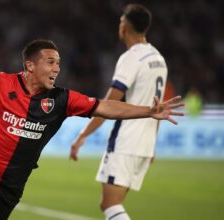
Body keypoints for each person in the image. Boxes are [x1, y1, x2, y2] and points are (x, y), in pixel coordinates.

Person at [0, 39, 183, 220]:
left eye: (58, 63)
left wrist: (147, 111)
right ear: (30, 65)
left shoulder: (61, 99)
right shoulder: (0, 83)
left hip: (12, 186)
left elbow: (105, 107)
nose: (57, 68)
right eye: (50, 62)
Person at [70, 4, 169, 220]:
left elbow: (108, 105)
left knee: (110, 205)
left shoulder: (131, 58)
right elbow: (157, 108)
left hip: (126, 140)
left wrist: (82, 136)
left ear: (124, 26)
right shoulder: (158, 59)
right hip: (144, 143)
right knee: (113, 204)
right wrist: (152, 144)